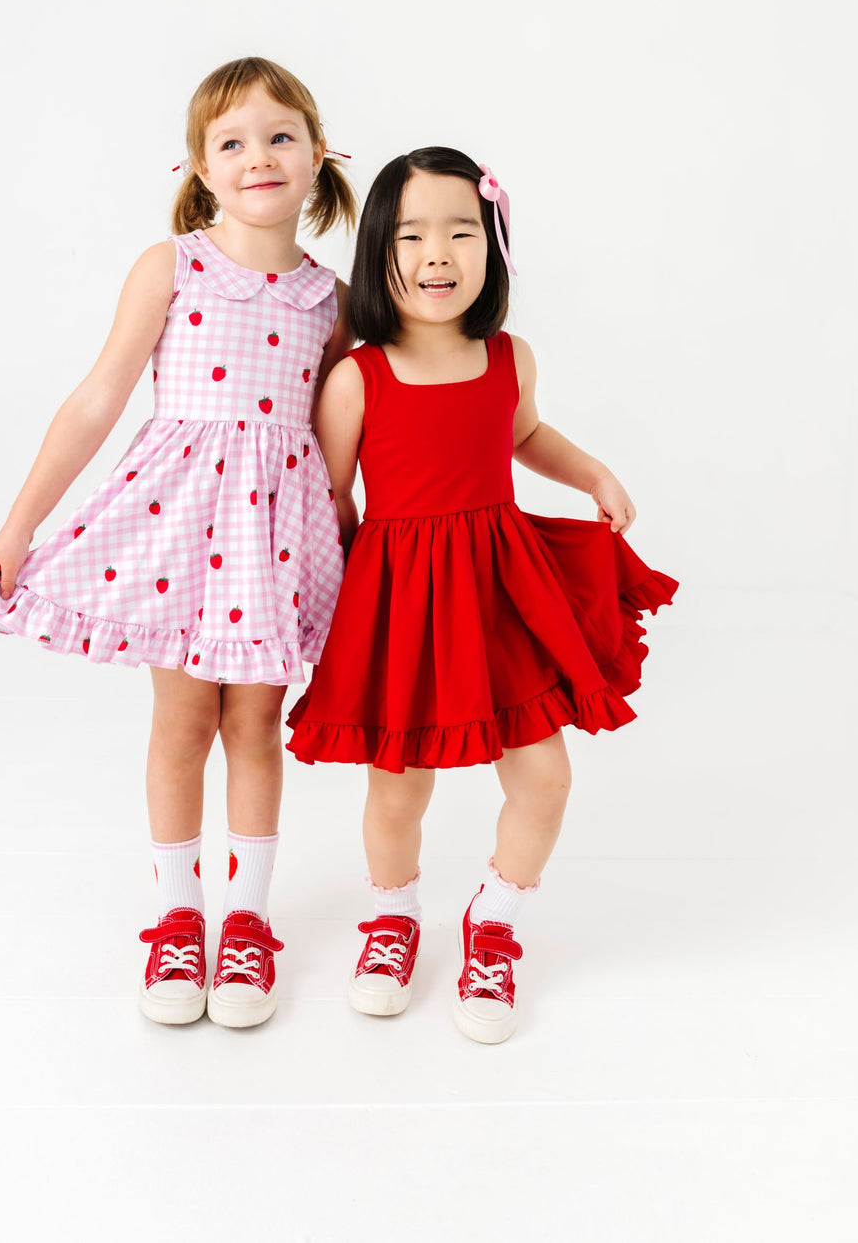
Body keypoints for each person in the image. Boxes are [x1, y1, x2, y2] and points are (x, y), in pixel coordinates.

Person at [0, 57, 356, 1030]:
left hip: (275, 536)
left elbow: (342, 439)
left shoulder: (334, 300)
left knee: (255, 728)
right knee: (185, 725)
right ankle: (178, 916)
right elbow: (99, 397)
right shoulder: (172, 265)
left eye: (280, 135)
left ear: (320, 154)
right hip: (184, 528)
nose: (257, 156)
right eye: (231, 141)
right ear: (198, 167)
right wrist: (20, 524)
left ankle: (247, 921)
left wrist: (361, 541)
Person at [286, 147, 677, 1044]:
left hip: (500, 592)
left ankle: (493, 920)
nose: (438, 254)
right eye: (413, 234)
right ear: (380, 249)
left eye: (462, 232)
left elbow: (526, 434)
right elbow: (330, 502)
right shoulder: (359, 377)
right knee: (397, 788)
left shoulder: (509, 358)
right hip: (400, 606)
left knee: (544, 778)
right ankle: (393, 919)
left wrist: (592, 474)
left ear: (491, 246)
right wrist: (334, 612)